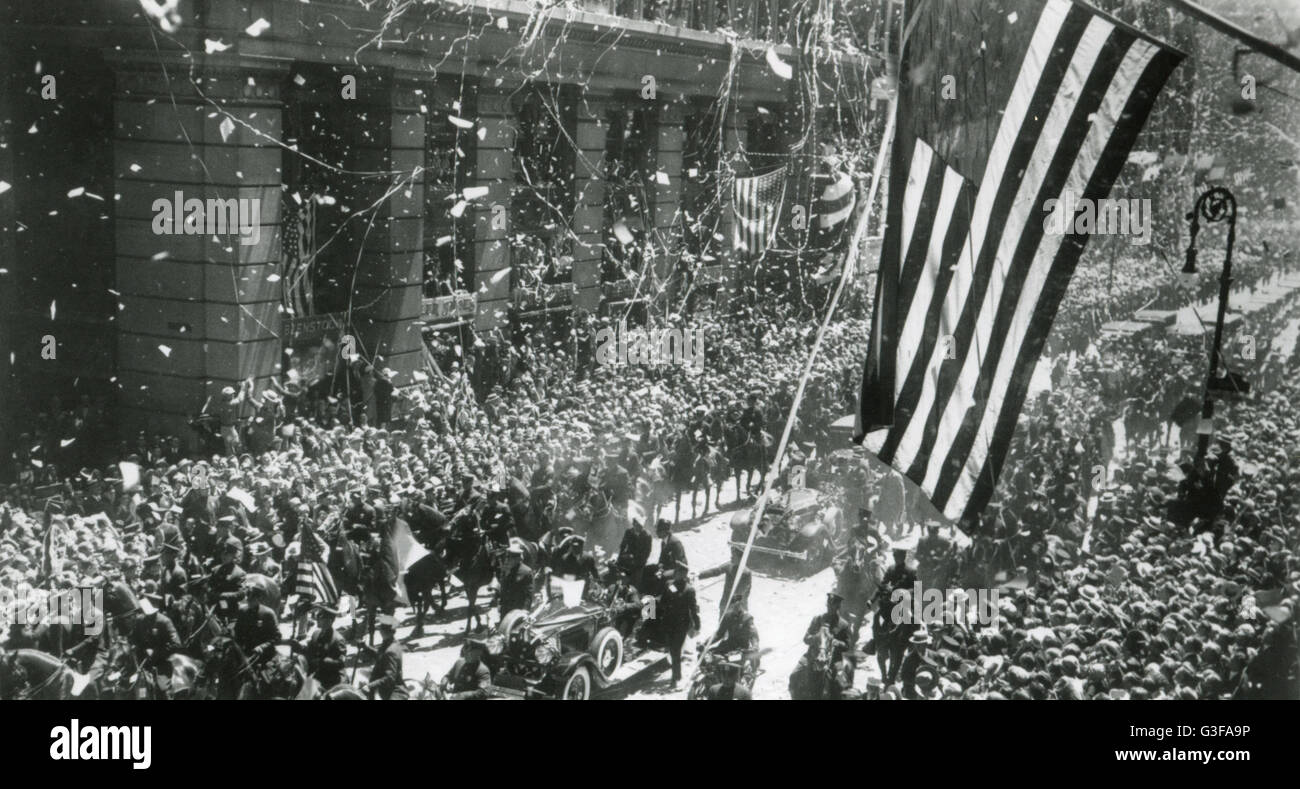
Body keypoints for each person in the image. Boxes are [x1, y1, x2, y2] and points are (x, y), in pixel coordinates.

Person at [789, 592, 854, 700]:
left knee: (840, 684)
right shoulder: (817, 619)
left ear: (838, 607)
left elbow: (847, 645)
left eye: (832, 607)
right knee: (794, 675)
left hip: (833, 659)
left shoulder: (843, 625)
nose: (829, 609)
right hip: (812, 656)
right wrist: (815, 638)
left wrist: (837, 642)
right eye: (828, 606)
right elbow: (806, 638)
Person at [658, 566, 700, 689]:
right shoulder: (669, 584)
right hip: (668, 622)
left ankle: (676, 677)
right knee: (672, 649)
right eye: (675, 572)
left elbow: (693, 609)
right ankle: (675, 673)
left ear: (683, 574)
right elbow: (664, 600)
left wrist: (697, 624)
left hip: (681, 625)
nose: (674, 574)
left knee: (675, 650)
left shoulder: (689, 590)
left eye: (677, 573)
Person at [703, 598, 760, 684]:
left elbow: (753, 634)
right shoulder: (727, 616)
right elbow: (719, 634)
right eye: (733, 606)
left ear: (741, 605)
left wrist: (755, 646)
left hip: (741, 647)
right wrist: (706, 643)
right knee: (709, 655)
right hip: (729, 644)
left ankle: (743, 680)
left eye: (737, 606)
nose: (735, 608)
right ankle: (711, 677)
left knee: (735, 668)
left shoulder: (747, 618)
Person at [301, 604, 346, 693]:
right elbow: (311, 651)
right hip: (315, 675)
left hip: (330, 679)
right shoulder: (316, 634)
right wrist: (300, 649)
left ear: (329, 621)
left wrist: (324, 662)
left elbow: (341, 663)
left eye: (320, 617)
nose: (317, 619)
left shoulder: (338, 639)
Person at [233, 583, 280, 663]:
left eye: (252, 599)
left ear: (259, 599)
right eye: (248, 597)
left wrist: (262, 647)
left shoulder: (267, 614)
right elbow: (237, 633)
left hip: (264, 656)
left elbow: (277, 637)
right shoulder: (243, 612)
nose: (248, 600)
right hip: (246, 655)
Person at [364, 614, 407, 700]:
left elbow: (389, 678)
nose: (379, 631)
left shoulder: (391, 650)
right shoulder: (390, 642)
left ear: (383, 631)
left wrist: (370, 686)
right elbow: (381, 657)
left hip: (394, 692)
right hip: (385, 689)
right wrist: (365, 647)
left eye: (381, 629)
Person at [207, 536, 246, 621]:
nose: (224, 556)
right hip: (215, 611)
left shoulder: (239, 573)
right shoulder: (215, 570)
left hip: (232, 611)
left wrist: (222, 596)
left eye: (227, 554)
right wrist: (212, 594)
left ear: (233, 556)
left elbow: (241, 594)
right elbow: (210, 587)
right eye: (222, 554)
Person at [496, 540, 535, 619]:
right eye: (507, 557)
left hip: (518, 610)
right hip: (505, 608)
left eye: (509, 558)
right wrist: (500, 604)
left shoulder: (526, 571)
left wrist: (525, 609)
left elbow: (529, 593)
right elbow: (503, 588)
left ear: (517, 559)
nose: (507, 560)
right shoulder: (506, 570)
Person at [615, 518, 652, 588]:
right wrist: (620, 556)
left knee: (636, 577)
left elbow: (647, 551)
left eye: (640, 526)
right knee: (619, 571)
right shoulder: (628, 532)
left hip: (640, 559)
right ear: (634, 525)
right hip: (629, 556)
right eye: (637, 525)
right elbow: (623, 545)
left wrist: (639, 561)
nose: (639, 528)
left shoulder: (647, 535)